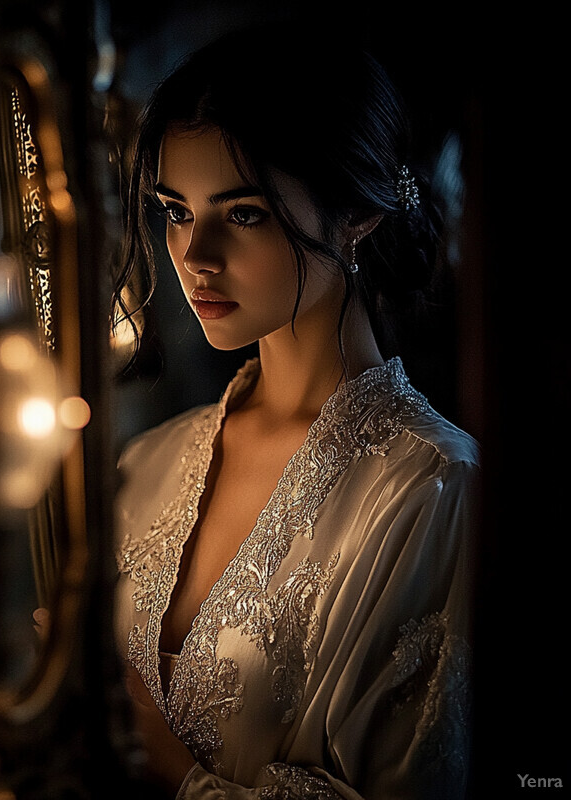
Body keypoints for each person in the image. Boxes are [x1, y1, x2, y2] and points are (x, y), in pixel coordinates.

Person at [111, 24, 479, 800]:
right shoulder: (144, 466)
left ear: (357, 215)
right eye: (176, 211)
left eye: (243, 214)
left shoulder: (433, 493)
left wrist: (167, 768)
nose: (196, 255)